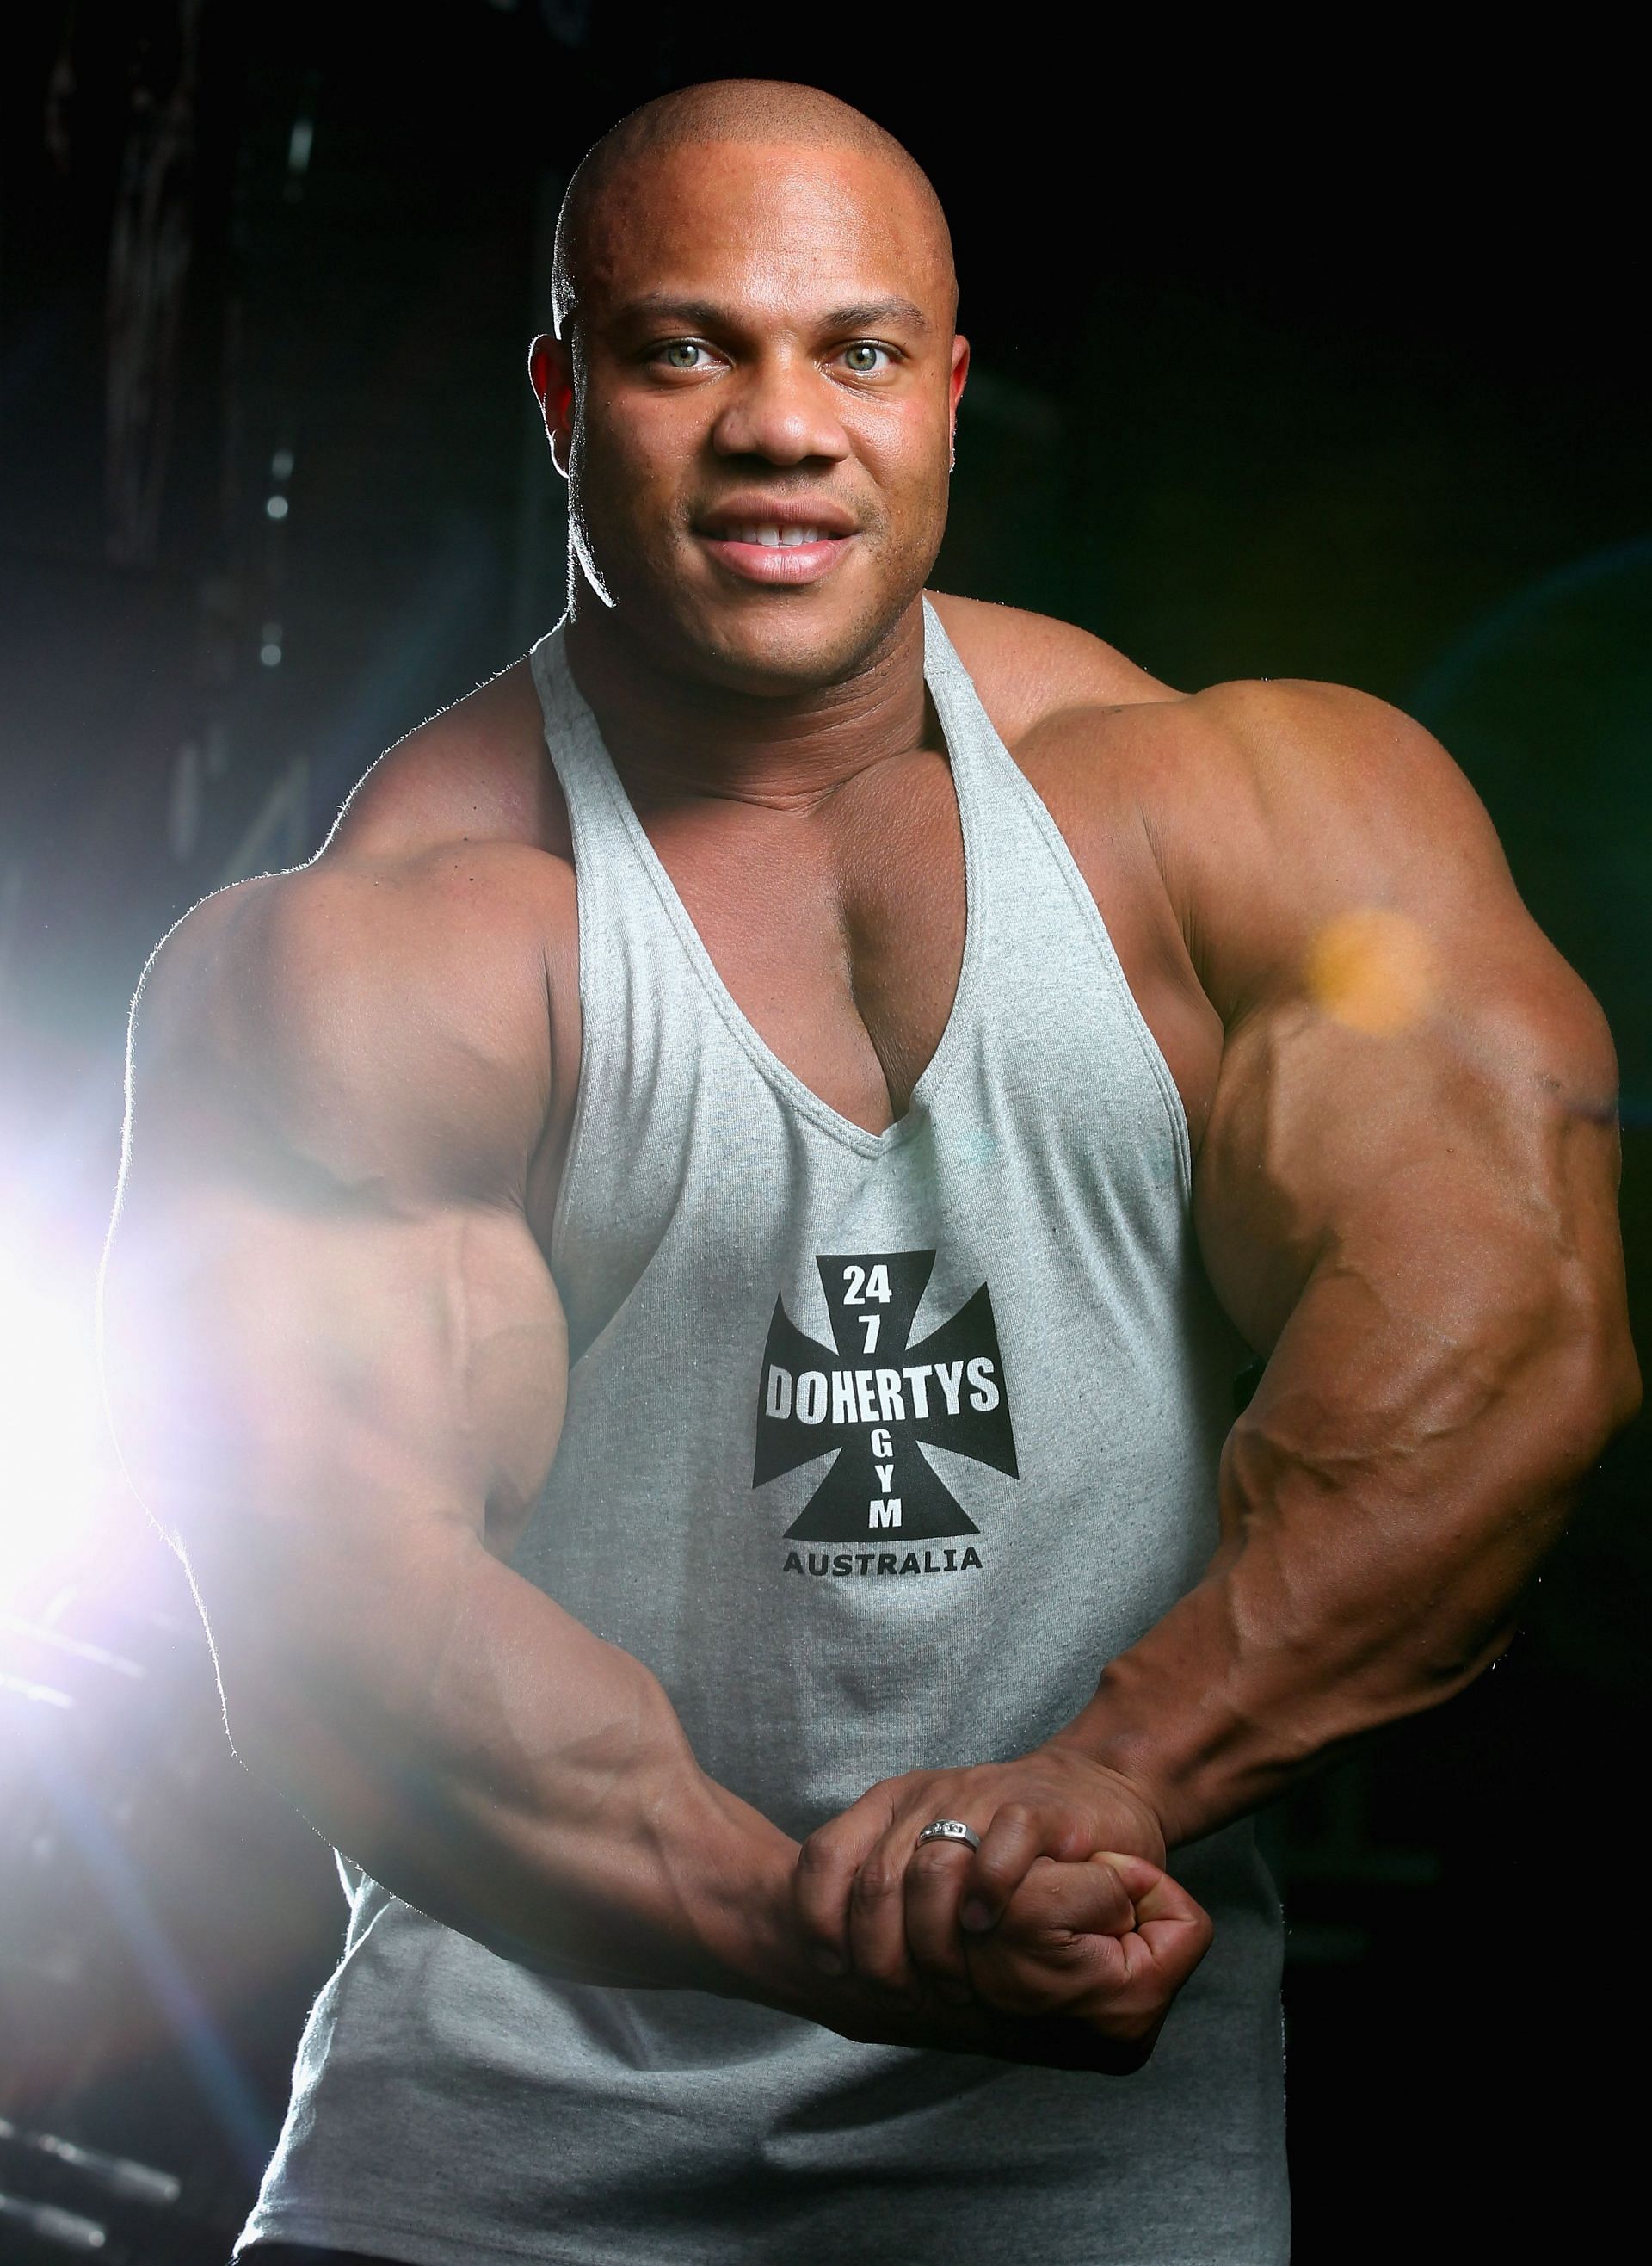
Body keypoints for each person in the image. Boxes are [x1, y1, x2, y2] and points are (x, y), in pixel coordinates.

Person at [100, 78, 1638, 2266]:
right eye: (684, 348)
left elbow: (1509, 1354)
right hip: (491, 2194)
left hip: (1093, 2197)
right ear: (561, 394)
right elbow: (339, 1609)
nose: (781, 426)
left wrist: (1125, 1777)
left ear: (949, 397)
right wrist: (799, 1930)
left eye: (858, 349)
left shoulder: (1247, 831)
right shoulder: (383, 957)